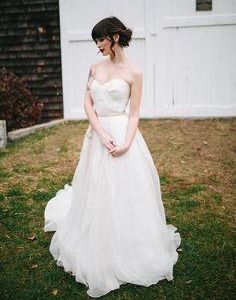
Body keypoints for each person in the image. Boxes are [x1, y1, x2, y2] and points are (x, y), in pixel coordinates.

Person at [44, 16, 181, 298]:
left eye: (101, 40)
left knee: (126, 192)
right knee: (95, 187)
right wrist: (100, 132)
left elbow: (133, 113)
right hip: (98, 136)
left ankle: (130, 245)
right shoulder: (95, 67)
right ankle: (95, 240)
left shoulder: (134, 73)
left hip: (122, 135)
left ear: (114, 37)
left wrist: (126, 143)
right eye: (96, 41)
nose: (98, 46)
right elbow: (87, 102)